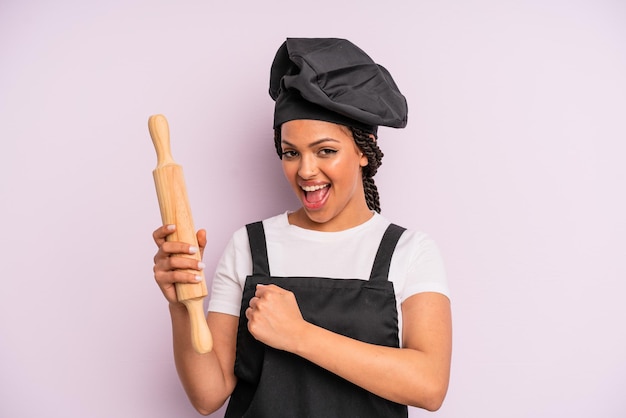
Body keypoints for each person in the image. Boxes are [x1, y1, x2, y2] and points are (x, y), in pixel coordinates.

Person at [152, 38, 452, 417]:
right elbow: (208, 395)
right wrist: (182, 305)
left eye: (325, 150)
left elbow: (430, 385)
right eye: (291, 152)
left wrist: (300, 335)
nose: (306, 171)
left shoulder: (409, 252)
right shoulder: (249, 244)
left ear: (364, 149)